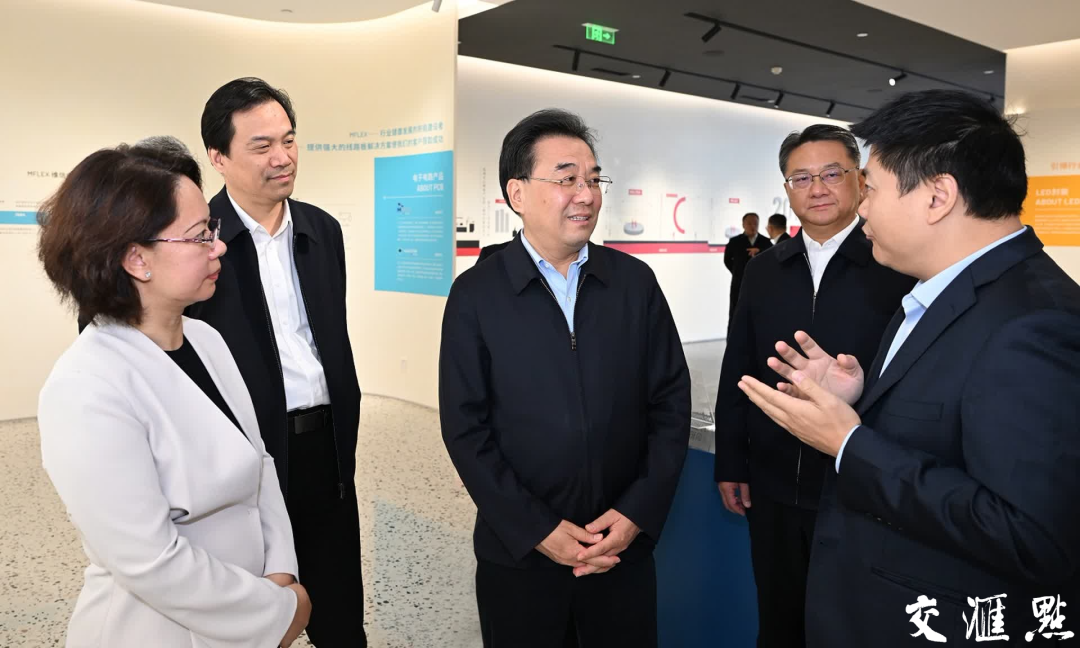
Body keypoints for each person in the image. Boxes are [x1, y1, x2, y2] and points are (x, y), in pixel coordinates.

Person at [738, 90, 1080, 646]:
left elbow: (1032, 537)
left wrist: (848, 443)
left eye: (870, 187)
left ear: (937, 196)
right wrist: (861, 399)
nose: (862, 207)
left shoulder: (1035, 324)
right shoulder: (940, 294)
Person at [36, 138, 310, 648]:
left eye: (212, 230)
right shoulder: (86, 387)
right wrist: (273, 611)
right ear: (136, 259)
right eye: (200, 235)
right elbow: (150, 560)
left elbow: (260, 465)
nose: (218, 246)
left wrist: (280, 574)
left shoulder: (207, 341)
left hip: (251, 605)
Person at [439, 109, 690, 648]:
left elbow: (670, 406)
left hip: (620, 551)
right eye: (567, 178)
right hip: (520, 556)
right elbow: (465, 429)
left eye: (594, 179)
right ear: (517, 193)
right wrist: (537, 530)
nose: (586, 194)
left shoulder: (634, 284)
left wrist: (634, 514)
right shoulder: (477, 295)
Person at [714, 124, 915, 647]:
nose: (817, 188)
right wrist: (732, 461)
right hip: (774, 482)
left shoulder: (897, 266)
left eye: (831, 174)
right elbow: (739, 367)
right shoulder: (764, 271)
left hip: (861, 483)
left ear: (860, 180)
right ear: (786, 189)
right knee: (779, 618)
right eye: (801, 178)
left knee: (853, 626)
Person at [184, 78, 365, 647]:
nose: (283, 158)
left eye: (289, 140)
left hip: (325, 454)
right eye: (261, 146)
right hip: (241, 461)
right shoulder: (198, 241)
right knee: (250, 621)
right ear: (218, 158)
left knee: (340, 618)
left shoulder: (321, 230)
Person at [724, 212, 772, 328]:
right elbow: (727, 260)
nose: (753, 226)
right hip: (739, 284)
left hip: (760, 285)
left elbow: (772, 260)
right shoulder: (735, 241)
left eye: (755, 224)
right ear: (743, 224)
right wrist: (737, 272)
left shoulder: (766, 242)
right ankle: (733, 339)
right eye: (749, 223)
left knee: (759, 315)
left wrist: (760, 252)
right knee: (736, 314)